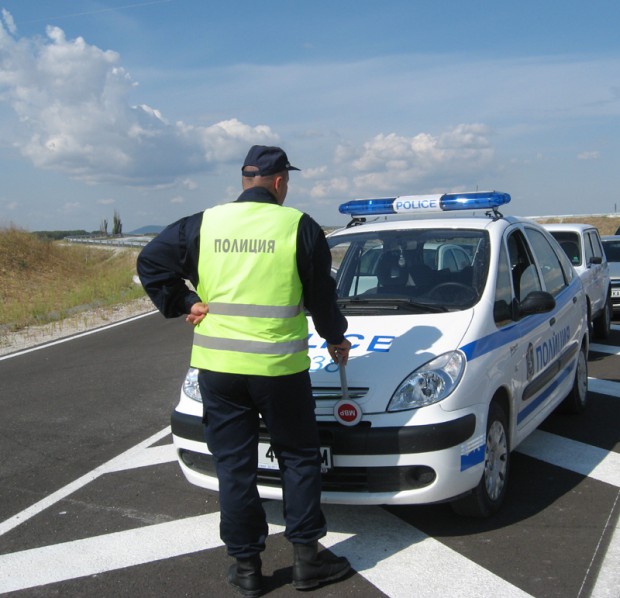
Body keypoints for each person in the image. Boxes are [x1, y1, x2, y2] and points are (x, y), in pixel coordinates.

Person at [137, 145, 352, 596]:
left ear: (244, 180)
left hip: (219, 368)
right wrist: (336, 337)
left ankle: (248, 569)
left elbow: (151, 262)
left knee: (234, 467)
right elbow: (321, 296)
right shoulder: (298, 226)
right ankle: (307, 561)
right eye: (287, 181)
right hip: (278, 370)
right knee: (297, 458)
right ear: (278, 182)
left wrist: (181, 301)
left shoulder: (204, 223)